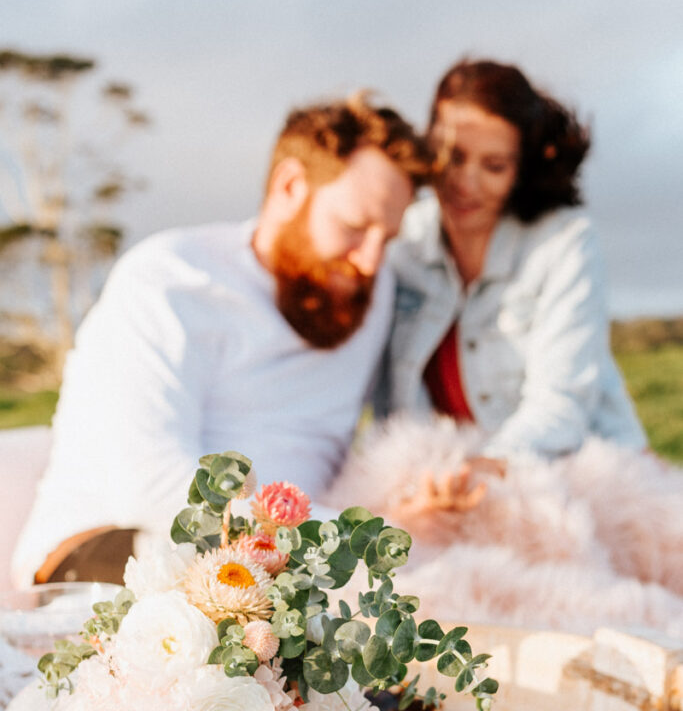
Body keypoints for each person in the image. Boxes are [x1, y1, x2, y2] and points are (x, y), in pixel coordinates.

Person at [12, 96, 431, 587]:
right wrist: (361, 542)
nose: (370, 261)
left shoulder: (368, 292)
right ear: (290, 186)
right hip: (113, 550)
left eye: (389, 238)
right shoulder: (171, 280)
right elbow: (152, 485)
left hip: (298, 569)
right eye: (355, 227)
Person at [381, 58, 647, 460]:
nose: (466, 183)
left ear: (521, 170)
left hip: (577, 471)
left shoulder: (564, 243)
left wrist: (483, 469)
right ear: (428, 144)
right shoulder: (397, 241)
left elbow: (561, 407)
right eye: (453, 155)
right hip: (448, 479)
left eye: (494, 166)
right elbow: (388, 410)